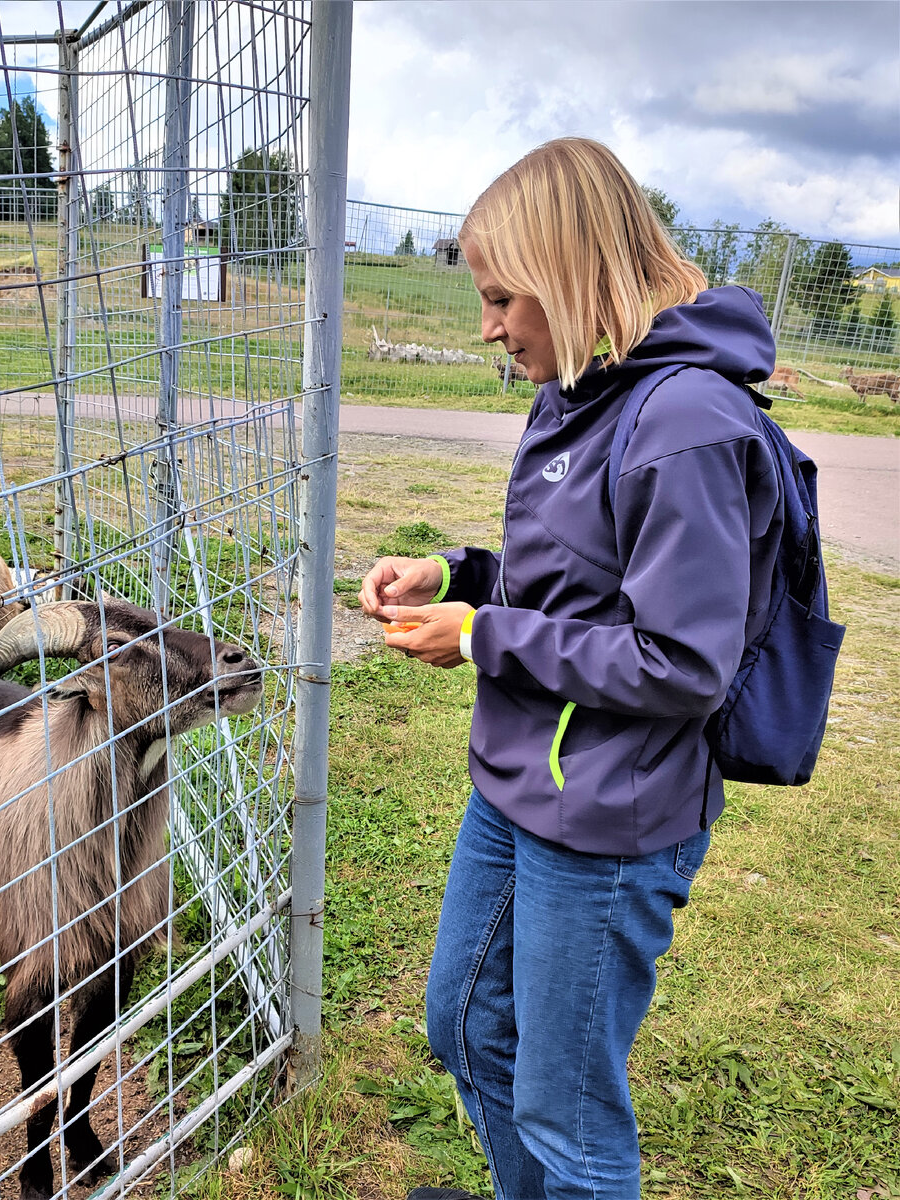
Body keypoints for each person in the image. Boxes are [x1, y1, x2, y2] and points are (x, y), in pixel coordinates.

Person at [358, 137, 784, 1200]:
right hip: (522, 779)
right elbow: (583, 583)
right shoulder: (577, 389)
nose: (490, 326)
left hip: (607, 811)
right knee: (460, 1025)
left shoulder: (682, 421)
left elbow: (681, 661)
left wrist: (477, 635)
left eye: (504, 297)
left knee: (567, 1112)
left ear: (570, 271)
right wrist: (454, 571)